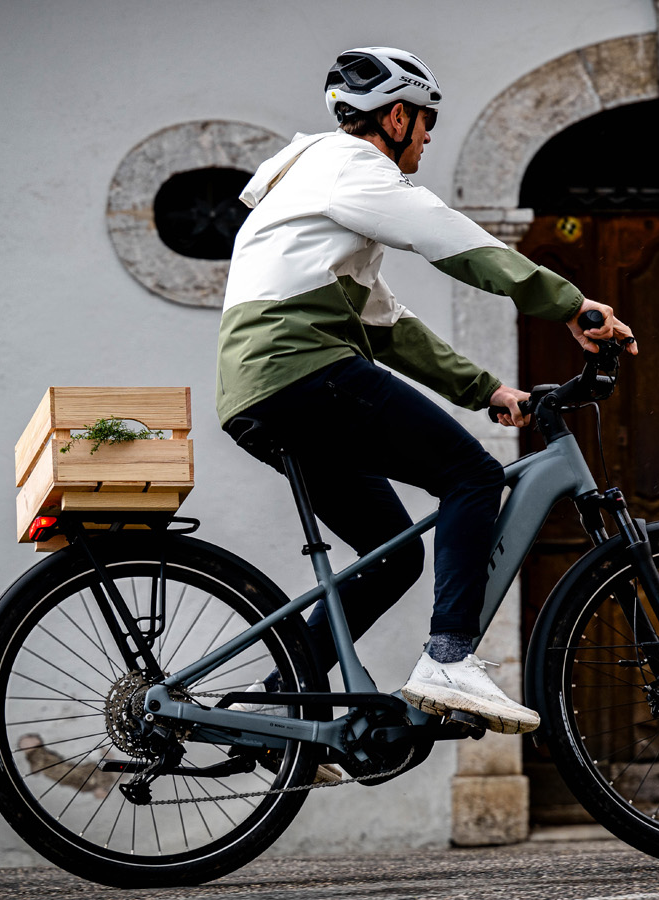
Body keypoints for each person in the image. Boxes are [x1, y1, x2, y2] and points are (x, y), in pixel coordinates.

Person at [216, 47, 637, 740]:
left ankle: (281, 703)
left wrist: (490, 391)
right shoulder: (352, 167)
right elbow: (450, 239)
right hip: (301, 369)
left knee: (391, 553)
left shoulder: (318, 192)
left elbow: (385, 325)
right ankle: (449, 658)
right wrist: (567, 303)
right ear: (400, 115)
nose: (430, 137)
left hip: (260, 391)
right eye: (426, 121)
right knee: (470, 475)